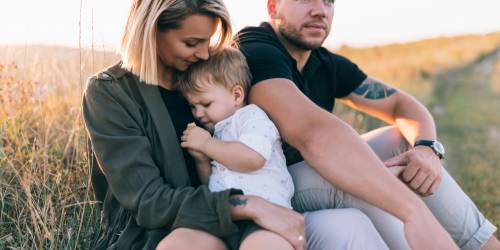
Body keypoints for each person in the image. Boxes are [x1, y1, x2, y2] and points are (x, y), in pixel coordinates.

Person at [83, 0, 388, 249]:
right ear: (151, 32)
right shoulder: (111, 93)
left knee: (356, 213)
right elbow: (150, 202)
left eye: (208, 42)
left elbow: (264, 145)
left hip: (247, 206)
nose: (203, 54)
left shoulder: (207, 75)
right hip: (174, 228)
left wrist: (375, 168)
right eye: (191, 42)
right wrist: (251, 205)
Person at [234, 0, 500, 249]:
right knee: (358, 177)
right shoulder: (255, 50)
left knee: (403, 141)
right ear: (273, 7)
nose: (320, 10)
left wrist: (427, 150)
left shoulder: (322, 62)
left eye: (328, 0)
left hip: (302, 180)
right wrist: (412, 210)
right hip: (265, 185)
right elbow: (312, 135)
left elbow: (401, 106)